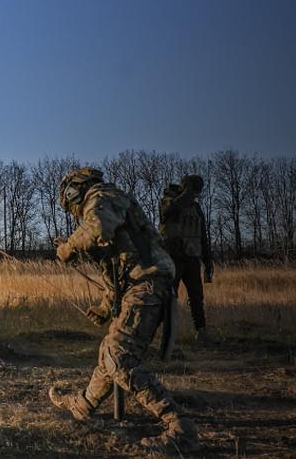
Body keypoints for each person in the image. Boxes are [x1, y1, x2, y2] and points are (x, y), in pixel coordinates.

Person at [47, 166, 199, 454]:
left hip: (147, 283)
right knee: (109, 353)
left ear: (75, 191)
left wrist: (68, 248)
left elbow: (97, 229)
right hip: (140, 285)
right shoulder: (109, 204)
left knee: (119, 356)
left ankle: (180, 428)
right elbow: (117, 271)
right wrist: (106, 307)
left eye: (70, 204)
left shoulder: (101, 197)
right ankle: (83, 406)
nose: (73, 211)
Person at [159, 174, 215, 341]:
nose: (197, 194)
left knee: (197, 297)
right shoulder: (168, 201)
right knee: (169, 297)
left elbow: (202, 235)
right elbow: (168, 212)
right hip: (173, 258)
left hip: (192, 257)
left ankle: (201, 332)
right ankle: (166, 335)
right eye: (195, 190)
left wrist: (207, 260)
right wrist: (188, 192)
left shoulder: (196, 208)